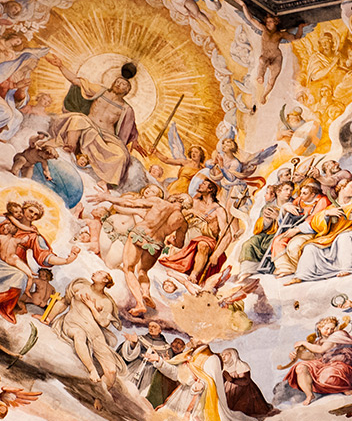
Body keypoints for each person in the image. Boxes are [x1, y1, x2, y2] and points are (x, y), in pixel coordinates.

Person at [88, 189, 191, 315]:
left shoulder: (159, 203)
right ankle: (146, 293)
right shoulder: (182, 222)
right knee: (142, 271)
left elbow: (131, 203)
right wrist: (170, 239)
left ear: (176, 198)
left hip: (139, 235)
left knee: (129, 269)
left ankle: (140, 303)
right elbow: (179, 244)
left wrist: (107, 197)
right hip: (156, 244)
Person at [48, 54, 145, 186]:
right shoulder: (100, 91)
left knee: (121, 155)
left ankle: (105, 182)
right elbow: (76, 81)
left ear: (127, 91)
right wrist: (60, 65)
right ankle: (70, 147)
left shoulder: (126, 109)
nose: (119, 84)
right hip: (88, 124)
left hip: (106, 136)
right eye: (117, 82)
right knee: (77, 119)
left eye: (123, 84)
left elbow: (130, 127)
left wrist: (135, 139)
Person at [148, 340, 253, 421]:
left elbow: (211, 384)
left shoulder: (212, 359)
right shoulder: (188, 355)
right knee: (160, 420)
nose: (190, 339)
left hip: (199, 403)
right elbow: (176, 374)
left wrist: (201, 385)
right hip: (181, 397)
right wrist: (159, 361)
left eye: (193, 336)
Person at [290, 178, 352, 283]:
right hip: (331, 240)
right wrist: (326, 214)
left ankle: (347, 268)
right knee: (310, 247)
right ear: (342, 187)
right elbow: (316, 225)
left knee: (345, 237)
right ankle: (302, 275)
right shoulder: (331, 207)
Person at [49, 271, 126, 386]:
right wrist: (49, 318)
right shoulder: (79, 286)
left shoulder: (106, 302)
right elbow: (64, 302)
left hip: (94, 332)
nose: (95, 272)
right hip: (73, 324)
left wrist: (92, 307)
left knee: (111, 371)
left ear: (105, 280)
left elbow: (104, 323)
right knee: (79, 335)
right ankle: (92, 369)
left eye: (99, 273)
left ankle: (100, 393)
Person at [159, 179, 232, 285]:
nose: (200, 184)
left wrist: (216, 255)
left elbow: (227, 235)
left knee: (203, 245)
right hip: (187, 239)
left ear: (210, 189)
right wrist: (192, 211)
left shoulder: (218, 210)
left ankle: (194, 274)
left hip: (206, 241)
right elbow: (175, 211)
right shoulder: (194, 202)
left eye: (204, 184)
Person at [236, 0, 305, 107]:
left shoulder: (280, 34)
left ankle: (264, 95)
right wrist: (243, 5)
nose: (268, 23)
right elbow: (250, 18)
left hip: (276, 57)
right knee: (262, 60)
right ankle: (260, 76)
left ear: (276, 22)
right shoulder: (264, 29)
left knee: (272, 80)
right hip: (266, 55)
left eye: (271, 22)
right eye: (267, 21)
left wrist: (300, 27)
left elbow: (296, 37)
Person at [285, 316, 352, 405]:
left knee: (327, 377)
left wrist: (304, 343)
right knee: (301, 367)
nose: (329, 331)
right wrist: (297, 355)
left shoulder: (338, 335)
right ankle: (309, 395)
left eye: (332, 329)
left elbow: (321, 349)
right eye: (327, 328)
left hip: (341, 363)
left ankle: (344, 387)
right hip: (325, 364)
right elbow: (314, 356)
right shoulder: (319, 342)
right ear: (319, 328)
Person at [117, 322, 177, 408]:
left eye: (154, 326)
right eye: (150, 326)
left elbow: (168, 365)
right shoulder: (141, 339)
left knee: (141, 399)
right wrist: (133, 344)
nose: (151, 328)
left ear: (160, 330)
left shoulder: (166, 347)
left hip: (150, 374)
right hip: (135, 367)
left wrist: (166, 361)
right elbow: (129, 355)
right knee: (123, 389)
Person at [220, 348, 275, 418]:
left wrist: (232, 380)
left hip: (245, 392)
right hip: (230, 392)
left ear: (233, 355)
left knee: (242, 411)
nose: (223, 357)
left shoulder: (241, 365)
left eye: (226, 355)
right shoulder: (224, 368)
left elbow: (246, 381)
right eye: (222, 355)